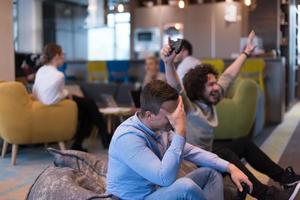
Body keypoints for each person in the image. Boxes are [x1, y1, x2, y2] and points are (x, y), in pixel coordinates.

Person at [161, 31, 300, 200]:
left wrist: (246, 52)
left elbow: (228, 75)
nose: (216, 87)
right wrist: (168, 64)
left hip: (206, 158)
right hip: (191, 168)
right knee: (226, 154)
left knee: (243, 144)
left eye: (215, 83)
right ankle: (268, 195)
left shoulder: (212, 97)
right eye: (211, 84)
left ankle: (286, 179)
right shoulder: (189, 109)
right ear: (198, 88)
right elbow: (177, 87)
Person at [107, 80, 253, 200]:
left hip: (155, 191)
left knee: (210, 173)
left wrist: (230, 167)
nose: (175, 121)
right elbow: (165, 178)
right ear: (149, 115)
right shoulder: (127, 138)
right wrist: (181, 131)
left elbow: (193, 152)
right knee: (185, 187)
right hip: (133, 199)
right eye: (170, 116)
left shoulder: (158, 129)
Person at [32, 43, 111, 151]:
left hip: (39, 102)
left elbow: (41, 91)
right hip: (55, 105)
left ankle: (82, 143)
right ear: (56, 56)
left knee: (87, 109)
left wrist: (65, 93)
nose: (64, 57)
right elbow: (53, 97)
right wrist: (66, 94)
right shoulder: (59, 75)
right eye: (62, 54)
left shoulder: (41, 70)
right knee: (90, 104)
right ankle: (105, 136)